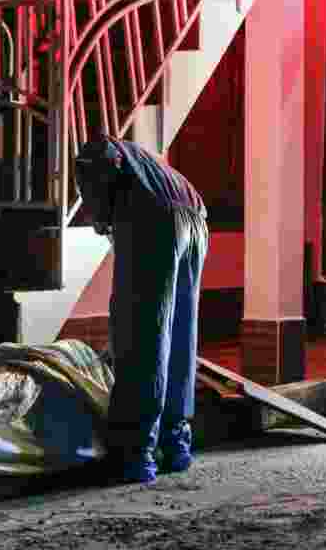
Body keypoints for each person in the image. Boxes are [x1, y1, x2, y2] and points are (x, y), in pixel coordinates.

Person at [75, 133, 209, 483]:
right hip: (196, 220)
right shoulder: (141, 161)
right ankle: (176, 445)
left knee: (141, 333)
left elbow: (103, 177)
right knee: (180, 334)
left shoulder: (102, 160)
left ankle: (136, 455)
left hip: (159, 218)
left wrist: (104, 220)